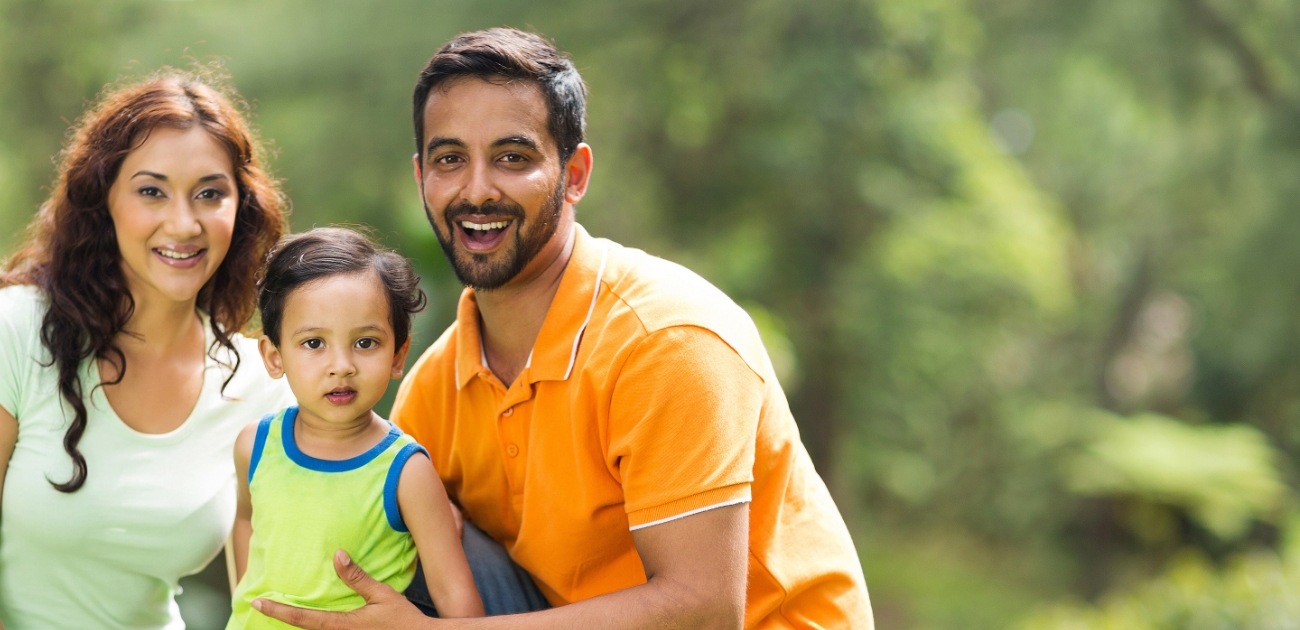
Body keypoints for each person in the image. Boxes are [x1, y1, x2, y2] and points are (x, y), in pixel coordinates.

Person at [254, 27, 875, 629]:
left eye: (512, 158)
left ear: (574, 174)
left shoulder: (667, 339)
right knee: (391, 517)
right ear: (422, 178)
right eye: (450, 160)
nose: (476, 190)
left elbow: (705, 612)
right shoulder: (433, 392)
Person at [0, 68, 294, 628]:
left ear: (242, 208)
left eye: (210, 193)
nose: (183, 224)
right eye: (151, 191)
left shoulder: (259, 384)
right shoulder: (14, 332)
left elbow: (266, 594)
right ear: (103, 201)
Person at [228, 227, 483, 627]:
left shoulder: (406, 473)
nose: (342, 365)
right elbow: (245, 520)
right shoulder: (254, 446)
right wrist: (245, 602)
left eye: (365, 343)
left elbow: (458, 601)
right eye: (314, 343)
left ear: (398, 355)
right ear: (274, 356)